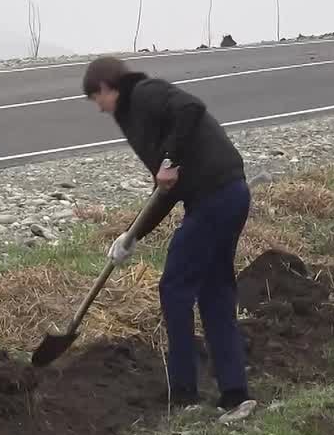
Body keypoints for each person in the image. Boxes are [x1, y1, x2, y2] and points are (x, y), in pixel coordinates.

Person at [82, 56, 254, 415]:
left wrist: (170, 159)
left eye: (95, 97)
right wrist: (131, 236)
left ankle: (185, 395)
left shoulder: (144, 93)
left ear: (106, 87)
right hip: (227, 194)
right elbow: (167, 191)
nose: (98, 107)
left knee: (174, 287)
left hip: (215, 196)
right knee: (215, 291)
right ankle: (235, 395)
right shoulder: (133, 117)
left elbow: (191, 107)